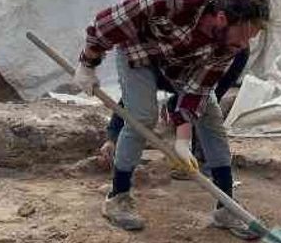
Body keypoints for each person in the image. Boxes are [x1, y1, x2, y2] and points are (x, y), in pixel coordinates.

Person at [73, 0, 270, 238]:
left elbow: (196, 90)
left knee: (211, 119)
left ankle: (226, 208)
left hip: (183, 68)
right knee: (141, 116)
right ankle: (117, 197)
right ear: (222, 18)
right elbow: (105, 26)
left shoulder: (229, 43)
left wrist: (183, 140)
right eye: (244, 35)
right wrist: (87, 64)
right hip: (140, 55)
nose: (244, 45)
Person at [97, 48, 250, 179]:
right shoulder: (150, 62)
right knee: (144, 112)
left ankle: (204, 161)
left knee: (205, 107)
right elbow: (131, 99)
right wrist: (112, 138)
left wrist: (182, 130)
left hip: (204, 70)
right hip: (170, 68)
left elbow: (204, 96)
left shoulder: (237, 50)